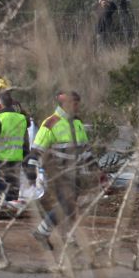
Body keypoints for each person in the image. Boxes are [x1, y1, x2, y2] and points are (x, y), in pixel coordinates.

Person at [31, 91, 92, 247]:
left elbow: (86, 150)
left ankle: (68, 237)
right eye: (75, 103)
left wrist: (95, 170)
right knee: (66, 204)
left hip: (75, 173)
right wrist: (32, 171)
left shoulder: (77, 123)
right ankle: (42, 232)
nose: (78, 107)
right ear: (65, 104)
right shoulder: (51, 123)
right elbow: (37, 150)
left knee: (70, 207)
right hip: (58, 173)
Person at [0, 91, 33, 209]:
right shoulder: (22, 119)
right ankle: (12, 211)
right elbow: (25, 143)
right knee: (13, 188)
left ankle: (3, 210)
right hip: (16, 160)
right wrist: (27, 161)